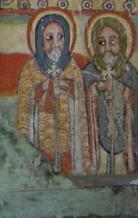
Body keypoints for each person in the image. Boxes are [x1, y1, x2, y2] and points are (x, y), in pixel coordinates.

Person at [15, 13, 88, 175]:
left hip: (68, 146)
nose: (56, 44)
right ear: (40, 42)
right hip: (41, 142)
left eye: (60, 37)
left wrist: (67, 86)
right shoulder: (31, 68)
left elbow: (81, 104)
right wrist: (41, 88)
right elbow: (24, 107)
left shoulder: (72, 67)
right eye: (49, 38)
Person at [82, 15, 138, 174]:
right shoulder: (89, 71)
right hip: (98, 140)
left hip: (123, 137)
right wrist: (96, 88)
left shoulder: (129, 72)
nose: (107, 49)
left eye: (112, 42)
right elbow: (82, 104)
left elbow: (137, 108)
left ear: (122, 43)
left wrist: (122, 90)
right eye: (101, 43)